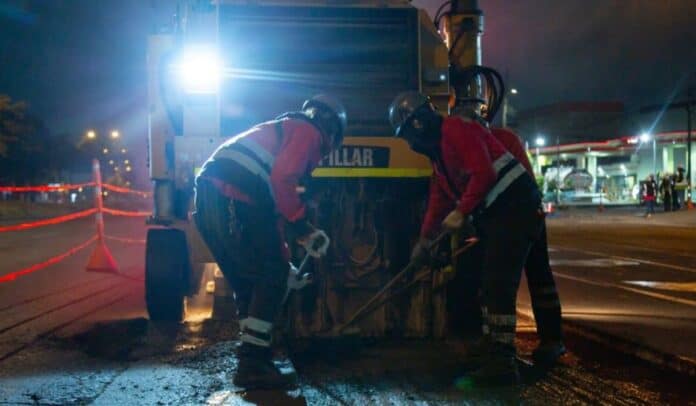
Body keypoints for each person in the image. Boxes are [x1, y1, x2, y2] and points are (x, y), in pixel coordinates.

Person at [193, 94, 347, 389]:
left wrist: (285, 263)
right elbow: (284, 179)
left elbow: (270, 216)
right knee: (269, 276)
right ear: (331, 131)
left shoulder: (281, 132)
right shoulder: (308, 132)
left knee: (249, 279)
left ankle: (254, 361)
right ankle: (252, 362)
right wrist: (304, 228)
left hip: (215, 198)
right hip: (230, 196)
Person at [389, 92, 542, 385]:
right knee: (486, 280)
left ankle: (502, 363)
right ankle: (494, 349)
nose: (409, 143)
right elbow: (438, 199)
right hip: (499, 215)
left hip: (515, 208)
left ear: (418, 125)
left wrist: (461, 211)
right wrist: (424, 240)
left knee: (498, 284)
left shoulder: (456, 129)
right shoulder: (439, 157)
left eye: (407, 135)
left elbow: (483, 173)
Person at [491, 127, 565, 366]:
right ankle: (552, 339)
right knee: (540, 276)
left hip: (519, 214)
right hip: (526, 212)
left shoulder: (498, 140)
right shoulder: (504, 137)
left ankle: (504, 349)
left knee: (504, 280)